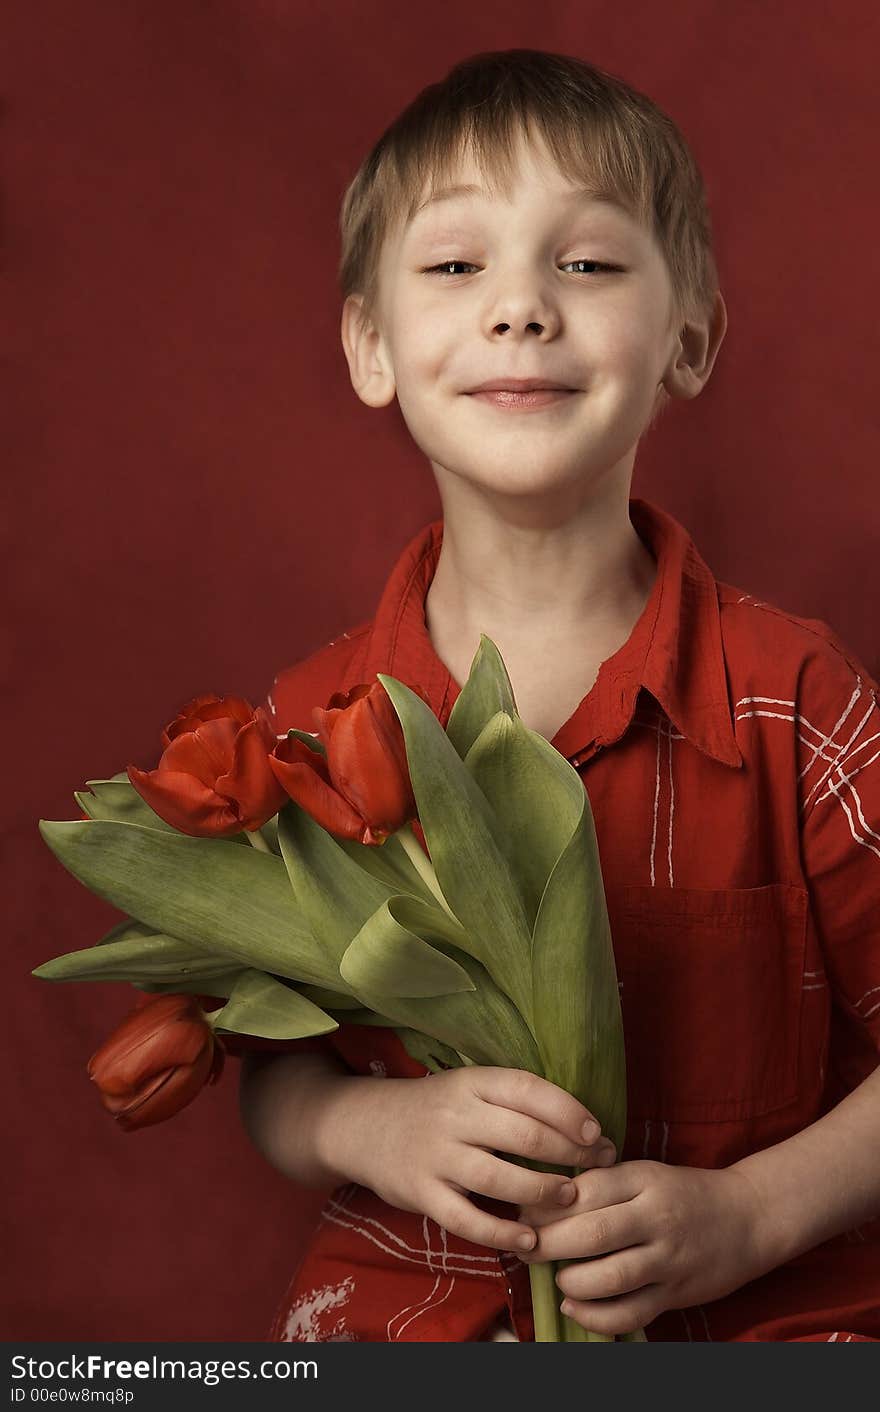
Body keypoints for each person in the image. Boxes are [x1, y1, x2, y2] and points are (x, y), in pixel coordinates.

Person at [235, 49, 880, 1342]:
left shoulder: (799, 701)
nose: (522, 307)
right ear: (372, 344)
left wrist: (751, 1214)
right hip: (409, 1318)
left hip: (767, 1325)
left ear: (688, 337)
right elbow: (272, 1074)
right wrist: (372, 1122)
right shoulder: (309, 725)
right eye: (457, 266)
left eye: (585, 264)